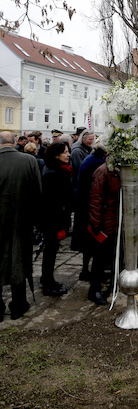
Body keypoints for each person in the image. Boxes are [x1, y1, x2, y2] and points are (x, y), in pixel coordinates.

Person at [0, 131, 42, 321]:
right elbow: (37, 194)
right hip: (21, 221)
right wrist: (36, 222)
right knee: (19, 261)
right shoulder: (29, 161)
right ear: (14, 141)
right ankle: (18, 305)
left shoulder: (28, 161)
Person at [40, 142, 74, 296]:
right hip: (53, 220)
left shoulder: (59, 169)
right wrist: (59, 225)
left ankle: (47, 279)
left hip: (56, 218)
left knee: (51, 250)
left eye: (68, 152)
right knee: (50, 251)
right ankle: (47, 283)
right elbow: (52, 202)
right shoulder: (53, 173)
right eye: (65, 152)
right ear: (56, 155)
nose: (68, 155)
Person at [71, 136, 107, 280]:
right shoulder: (97, 162)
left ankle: (86, 270)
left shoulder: (91, 158)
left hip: (84, 205)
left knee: (88, 242)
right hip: (89, 207)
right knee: (92, 241)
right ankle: (90, 272)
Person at [87, 161, 121, 305]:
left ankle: (115, 284)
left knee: (115, 255)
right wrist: (96, 224)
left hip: (116, 219)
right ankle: (94, 290)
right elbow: (96, 199)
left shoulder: (119, 170)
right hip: (105, 222)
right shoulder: (102, 171)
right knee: (99, 258)